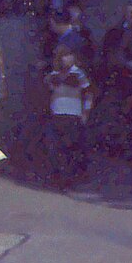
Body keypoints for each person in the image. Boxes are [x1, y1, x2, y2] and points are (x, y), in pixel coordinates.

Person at [44, 45, 92, 187]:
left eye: (70, 55)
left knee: (72, 146)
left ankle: (73, 176)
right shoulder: (53, 75)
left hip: (73, 115)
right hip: (57, 114)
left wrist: (85, 112)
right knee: (56, 147)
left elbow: (89, 93)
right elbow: (47, 92)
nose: (67, 58)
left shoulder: (78, 74)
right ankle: (59, 176)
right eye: (64, 56)